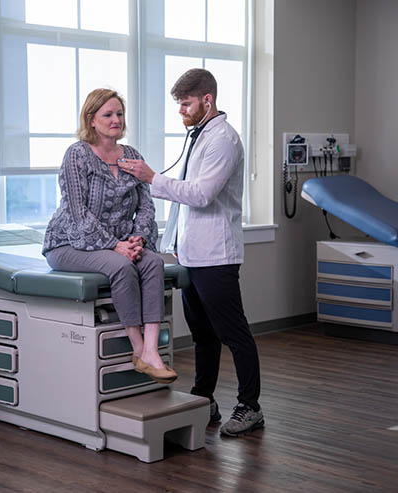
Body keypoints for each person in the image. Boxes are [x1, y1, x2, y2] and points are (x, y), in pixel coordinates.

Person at [118, 69, 263, 437]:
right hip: (191, 254)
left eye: (186, 104)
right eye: (179, 104)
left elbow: (200, 194)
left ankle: (250, 406)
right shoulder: (199, 136)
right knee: (202, 334)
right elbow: (185, 191)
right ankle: (204, 398)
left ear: (207, 100)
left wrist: (151, 178)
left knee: (234, 333)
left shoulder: (224, 140)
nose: (181, 111)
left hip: (217, 255)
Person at [42, 88, 177, 384]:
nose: (116, 119)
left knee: (153, 263)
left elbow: (145, 205)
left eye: (119, 114)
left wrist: (138, 239)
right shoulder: (77, 155)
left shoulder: (131, 156)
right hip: (70, 242)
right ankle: (139, 348)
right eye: (108, 114)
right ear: (91, 119)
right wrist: (116, 245)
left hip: (122, 244)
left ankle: (152, 351)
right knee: (121, 266)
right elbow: (78, 214)